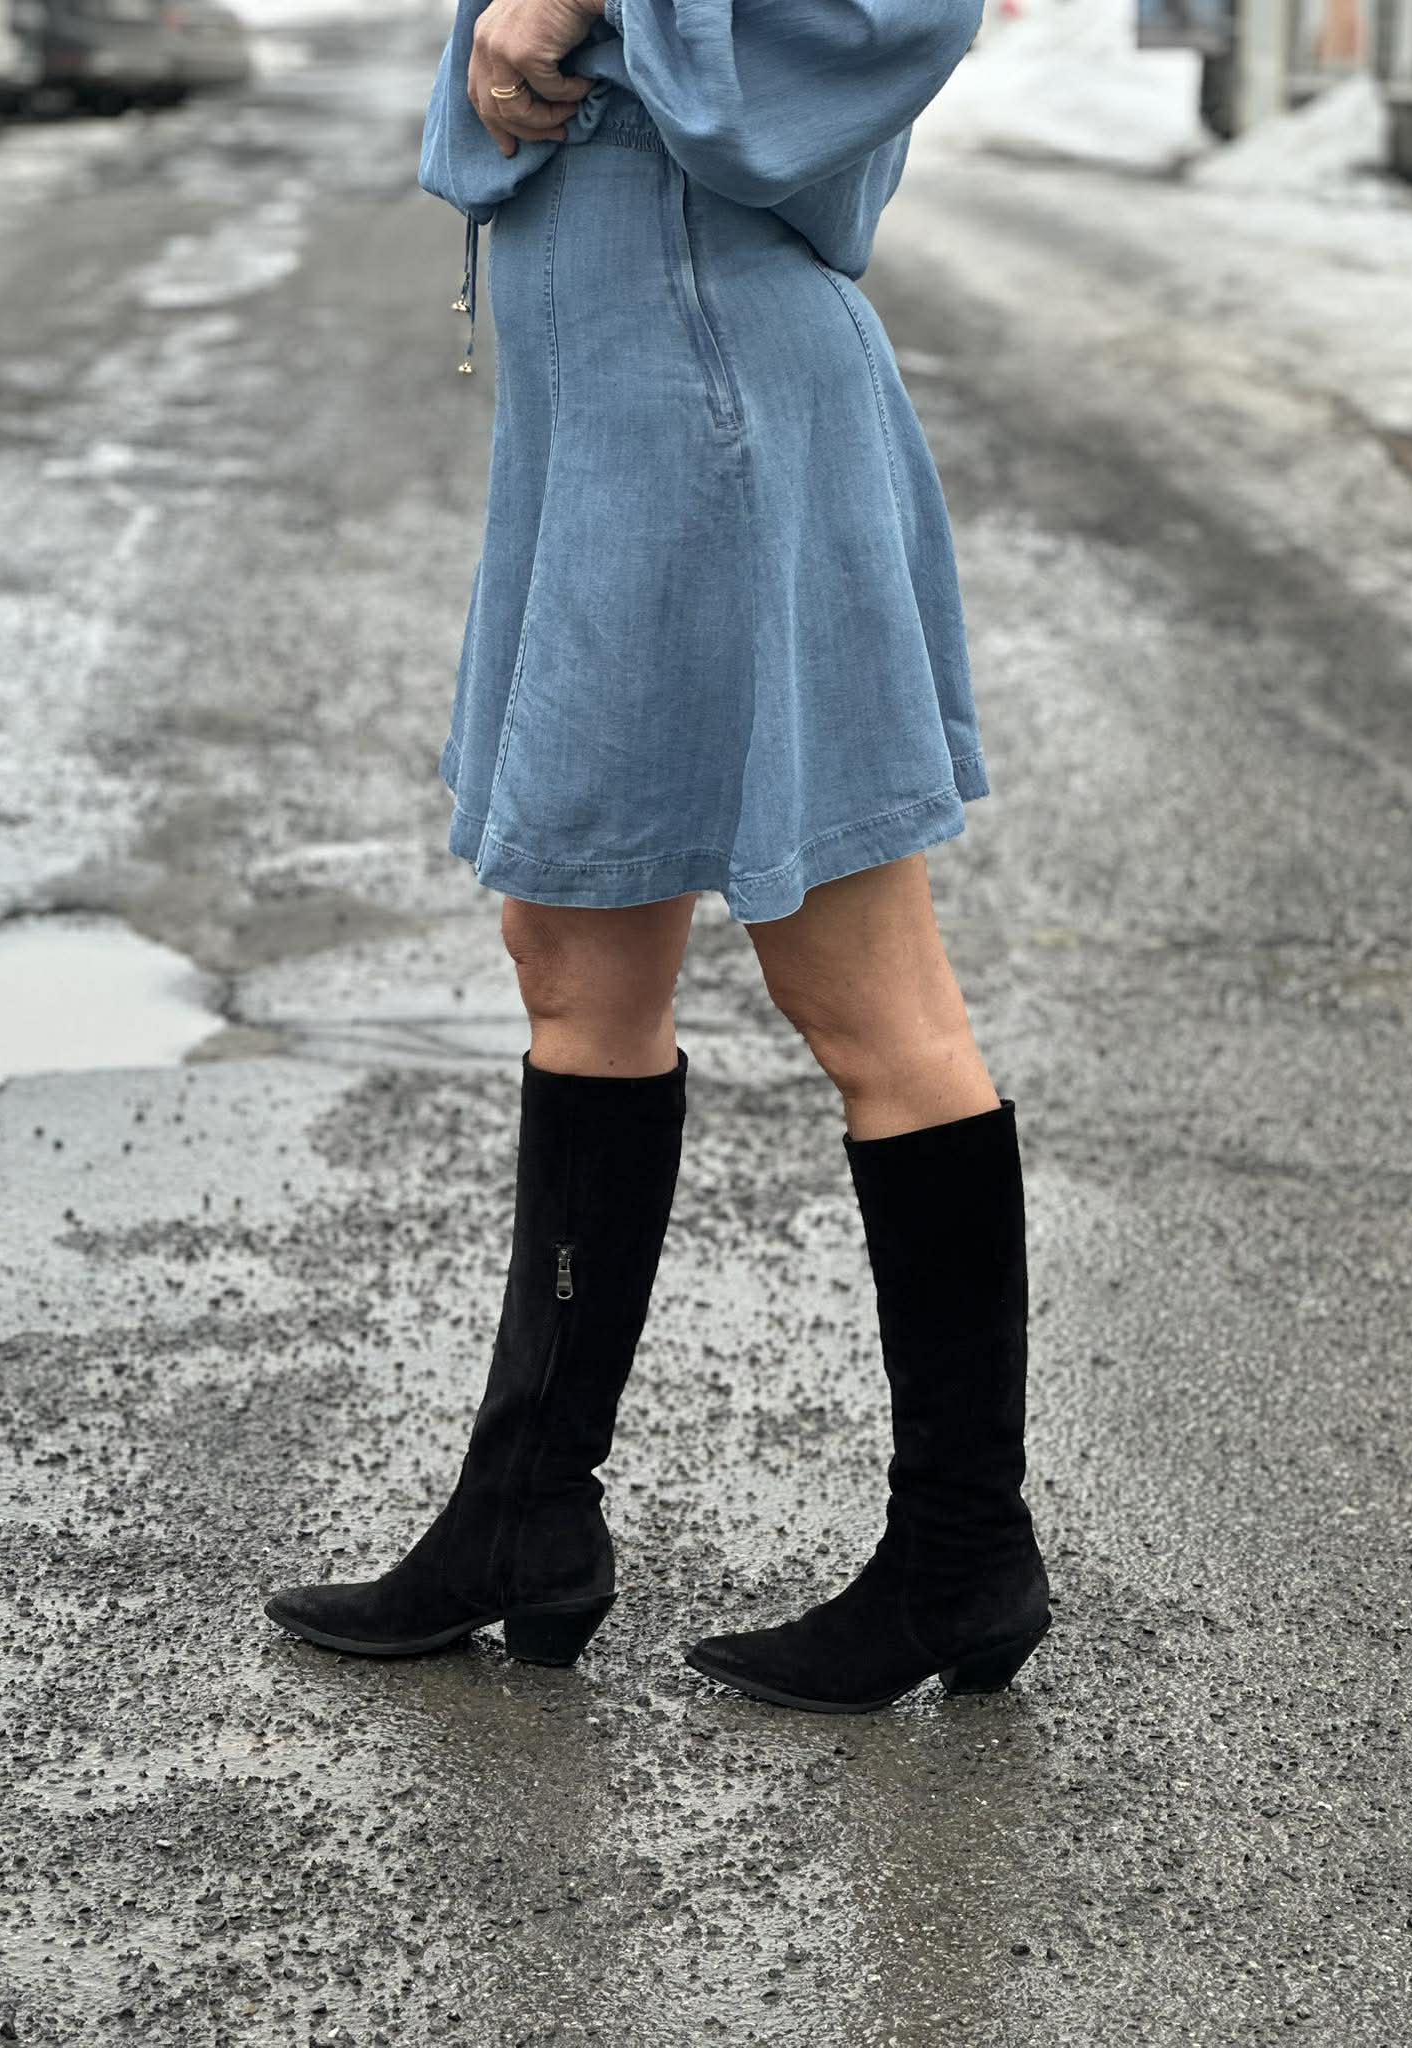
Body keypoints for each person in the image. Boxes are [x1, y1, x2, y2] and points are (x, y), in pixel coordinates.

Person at [264, 0, 1051, 1713]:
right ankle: (527, 1513)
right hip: (614, 403)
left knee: (867, 995)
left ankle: (963, 1550)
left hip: (714, 397)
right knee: (571, 956)